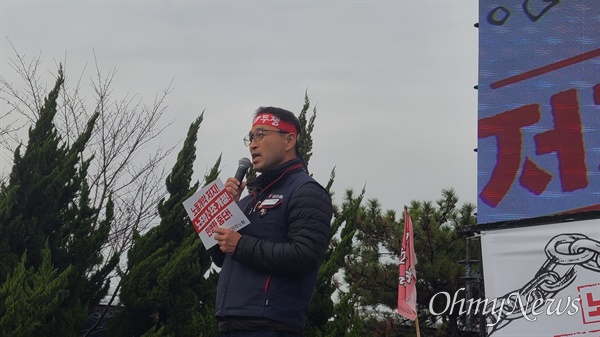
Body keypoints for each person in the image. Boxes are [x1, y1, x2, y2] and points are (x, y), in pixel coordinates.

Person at [211, 106, 333, 337]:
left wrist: (240, 245)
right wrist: (226, 211)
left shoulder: (307, 191)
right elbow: (220, 257)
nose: (252, 144)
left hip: (271, 326)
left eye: (261, 134)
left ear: (289, 140)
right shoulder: (248, 200)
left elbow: (304, 256)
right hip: (229, 323)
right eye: (250, 137)